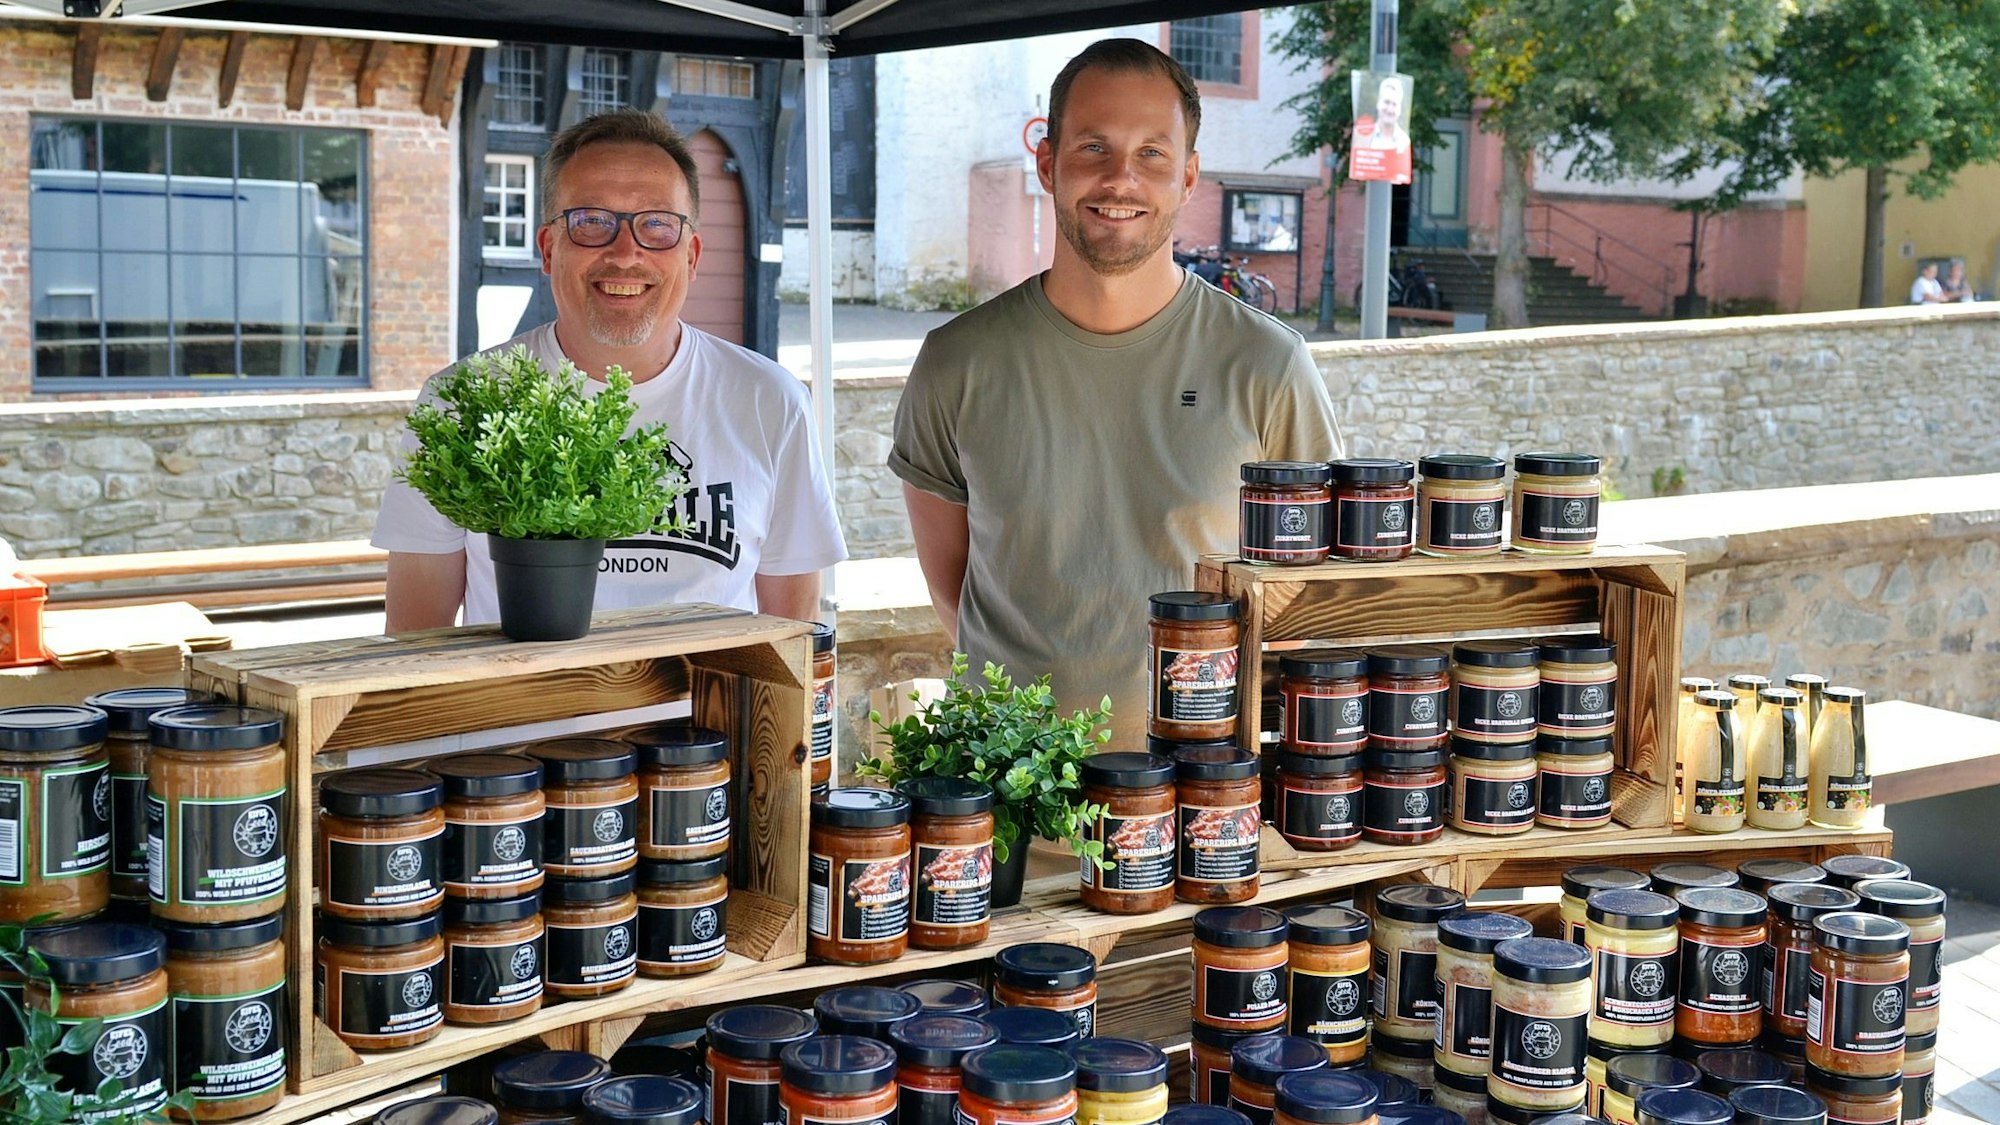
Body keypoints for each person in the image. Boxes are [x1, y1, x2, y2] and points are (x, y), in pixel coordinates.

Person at [890, 38, 1344, 746]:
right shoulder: (956, 362)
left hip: (1203, 789)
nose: (1120, 179)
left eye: (1152, 154)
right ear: (1048, 163)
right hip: (1006, 793)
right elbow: (953, 588)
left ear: (1188, 177)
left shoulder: (1268, 365)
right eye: (1093, 147)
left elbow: (1315, 594)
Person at [374, 110, 846, 629]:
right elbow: (414, 641)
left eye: (657, 225)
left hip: (711, 689)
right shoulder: (463, 402)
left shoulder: (768, 401)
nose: (625, 254)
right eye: (591, 222)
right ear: (549, 249)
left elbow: (795, 636)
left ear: (691, 256)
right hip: (523, 689)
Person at [1364, 77, 1410, 152]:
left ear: (1399, 109)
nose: (1390, 109)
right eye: (1386, 102)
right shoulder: (1364, 136)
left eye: (1394, 104)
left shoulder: (1404, 141)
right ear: (1378, 103)